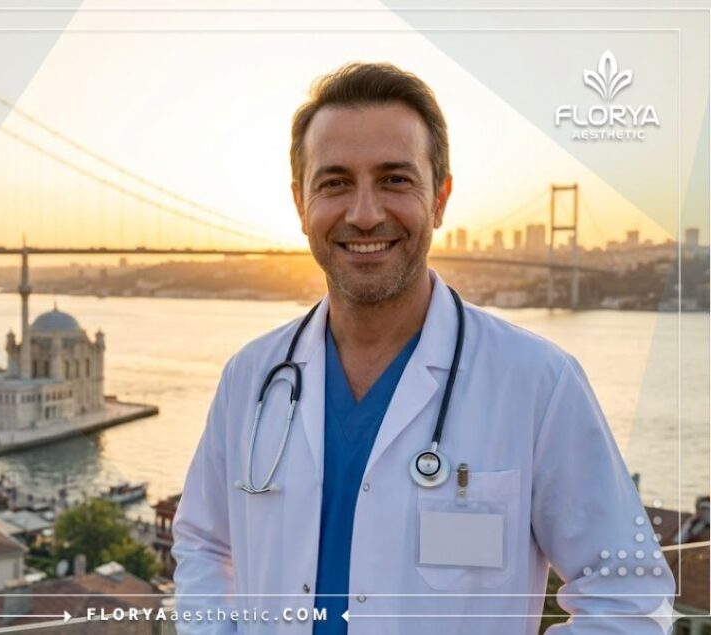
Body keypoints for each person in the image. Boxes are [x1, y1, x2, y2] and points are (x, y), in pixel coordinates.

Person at [171, 62, 675, 634]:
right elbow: (204, 543)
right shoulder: (250, 377)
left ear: (440, 197)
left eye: (395, 180)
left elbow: (629, 595)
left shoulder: (537, 381)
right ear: (299, 204)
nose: (364, 214)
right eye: (335, 182)